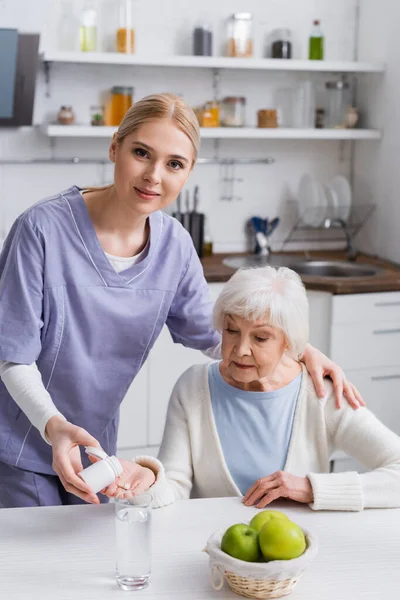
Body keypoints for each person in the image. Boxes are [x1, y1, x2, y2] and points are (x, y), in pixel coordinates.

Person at [0, 94, 362, 509]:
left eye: (174, 164)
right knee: (34, 568)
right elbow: (14, 356)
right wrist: (54, 426)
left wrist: (299, 349)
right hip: (22, 442)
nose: (154, 176)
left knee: (91, 562)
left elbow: (214, 334)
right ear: (115, 147)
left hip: (95, 450)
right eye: (141, 153)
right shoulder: (41, 230)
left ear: (188, 172)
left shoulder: (173, 244)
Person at [106, 265, 400, 511]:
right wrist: (148, 482)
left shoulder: (320, 394)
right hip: (211, 556)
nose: (240, 349)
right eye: (232, 331)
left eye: (260, 338)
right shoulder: (193, 388)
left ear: (289, 342)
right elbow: (174, 488)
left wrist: (312, 488)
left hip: (295, 565)